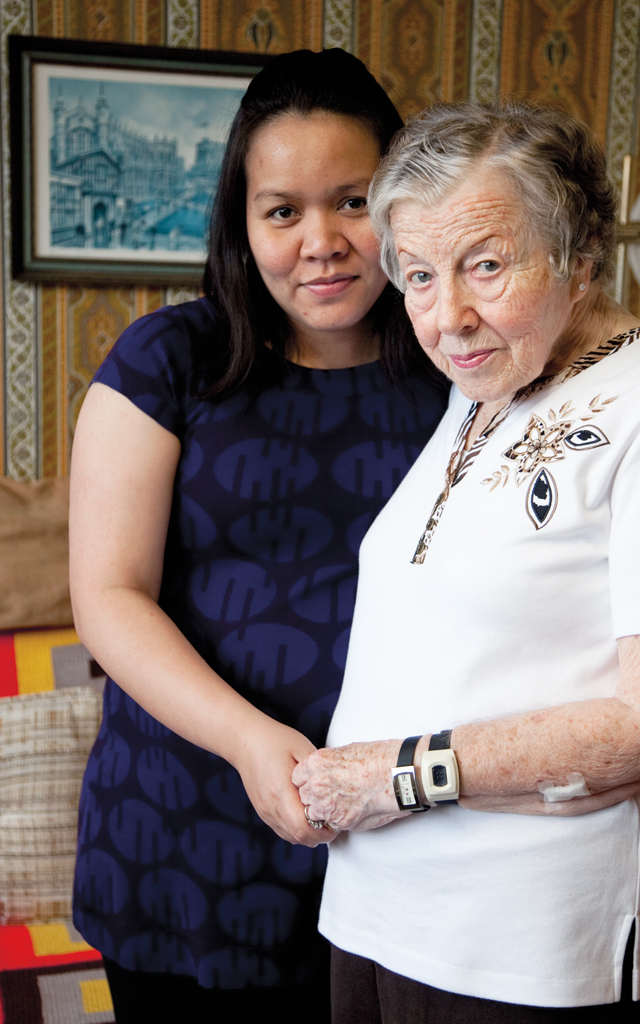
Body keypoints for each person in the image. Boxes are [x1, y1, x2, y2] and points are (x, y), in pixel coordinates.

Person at [293, 102, 640, 1022]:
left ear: (581, 256)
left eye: (486, 265)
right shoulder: (494, 376)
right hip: (376, 909)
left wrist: (391, 776)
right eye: (419, 276)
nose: (447, 316)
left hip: (528, 947)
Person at [69, 49, 447, 1023]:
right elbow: (109, 594)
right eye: (282, 209)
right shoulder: (168, 361)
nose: (318, 240)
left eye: (352, 201)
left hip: (403, 833)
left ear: (403, 202)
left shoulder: (462, 374)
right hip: (185, 827)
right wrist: (250, 742)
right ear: (242, 223)